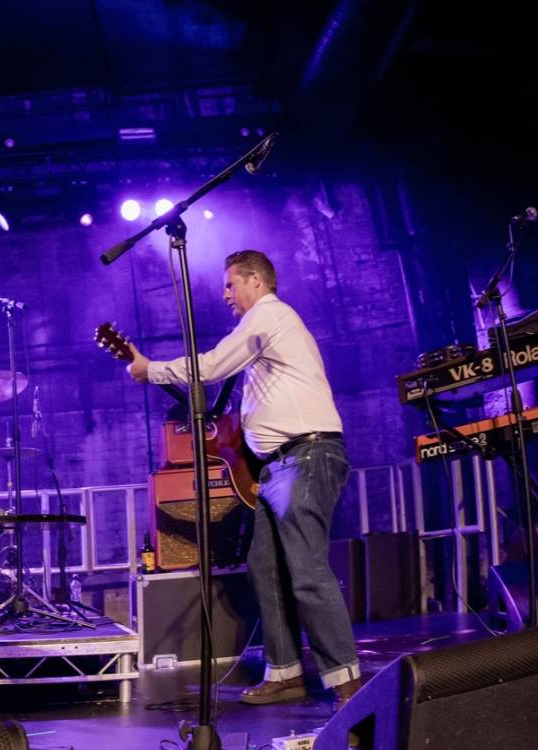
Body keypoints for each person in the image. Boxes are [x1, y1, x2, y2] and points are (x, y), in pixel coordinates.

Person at [120, 249, 363, 707]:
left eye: (231, 284)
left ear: (255, 281)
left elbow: (210, 366)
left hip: (306, 456)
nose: (225, 293)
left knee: (307, 571)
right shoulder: (265, 343)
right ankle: (286, 673)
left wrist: (150, 370)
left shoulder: (269, 316)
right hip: (278, 467)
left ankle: (349, 686)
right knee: (264, 567)